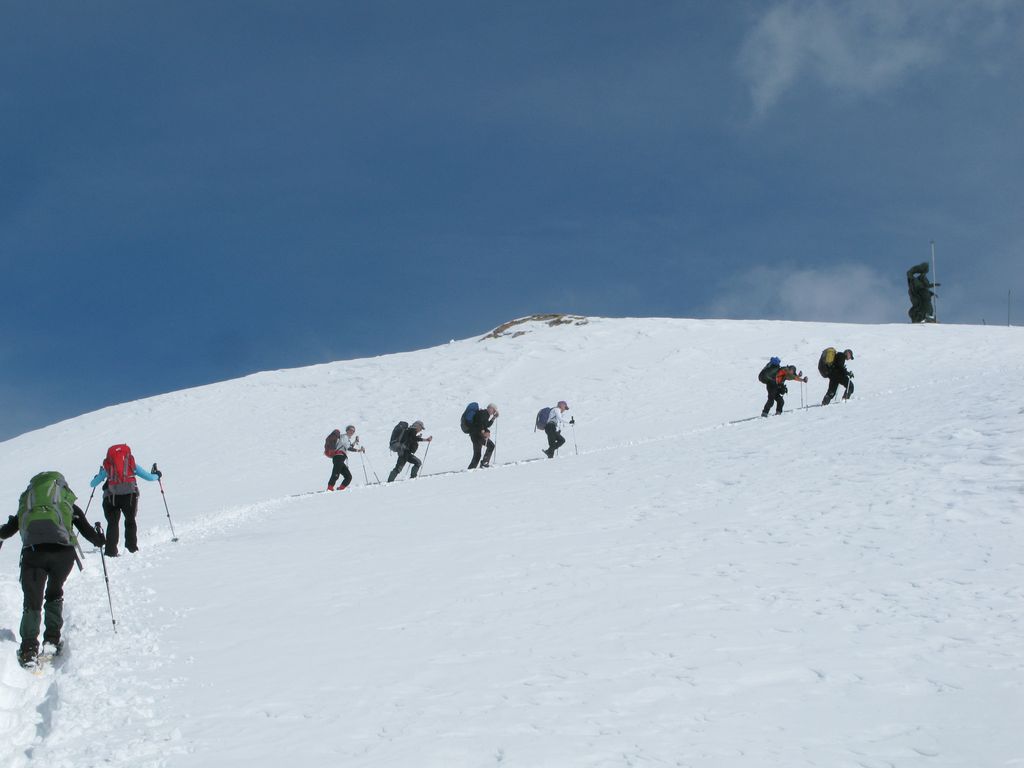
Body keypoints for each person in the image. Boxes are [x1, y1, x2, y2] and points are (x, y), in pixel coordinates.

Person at [0, 471, 106, 667]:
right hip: (63, 555)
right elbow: (91, 536)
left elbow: (6, 531)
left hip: (33, 554)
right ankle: (51, 641)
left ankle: (29, 649)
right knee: (54, 593)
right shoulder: (66, 505)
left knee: (32, 601)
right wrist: (100, 537)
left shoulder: (28, 506)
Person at [89, 443, 160, 557]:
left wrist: (97, 477)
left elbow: (93, 484)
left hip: (111, 498)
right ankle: (131, 549)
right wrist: (157, 475)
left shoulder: (108, 466)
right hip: (129, 496)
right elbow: (149, 477)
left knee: (112, 523)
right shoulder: (131, 464)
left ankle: (111, 551)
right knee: (130, 521)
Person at [325, 425, 364, 491]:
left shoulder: (347, 438)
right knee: (335, 473)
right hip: (338, 457)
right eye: (350, 430)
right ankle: (329, 488)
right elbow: (348, 447)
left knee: (348, 477)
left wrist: (355, 441)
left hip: (341, 458)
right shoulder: (344, 437)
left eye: (353, 431)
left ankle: (340, 489)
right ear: (347, 430)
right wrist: (358, 450)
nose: (352, 432)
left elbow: (349, 445)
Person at [467, 403, 499, 469]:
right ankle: (484, 463)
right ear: (490, 408)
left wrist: (494, 417)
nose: (493, 412)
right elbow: (480, 423)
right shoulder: (483, 413)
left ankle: (471, 469)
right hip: (477, 435)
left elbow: (487, 425)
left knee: (478, 454)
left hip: (475, 435)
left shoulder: (485, 414)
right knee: (490, 446)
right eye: (494, 410)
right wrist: (483, 432)